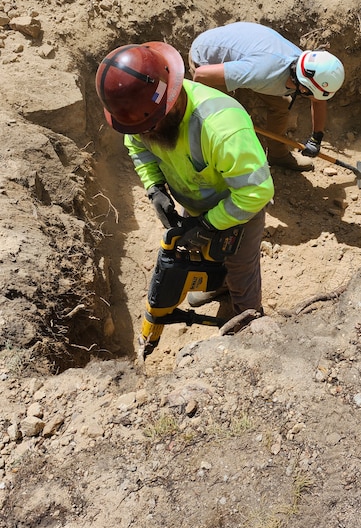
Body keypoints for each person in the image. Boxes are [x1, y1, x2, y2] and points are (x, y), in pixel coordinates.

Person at [95, 40, 274, 354]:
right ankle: (218, 284)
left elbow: (255, 191)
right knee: (204, 252)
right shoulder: (140, 115)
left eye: (150, 126)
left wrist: (210, 224)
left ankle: (248, 328)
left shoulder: (221, 127)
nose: (144, 134)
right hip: (194, 203)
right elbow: (137, 147)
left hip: (238, 207)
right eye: (139, 127)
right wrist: (154, 188)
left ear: (170, 102)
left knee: (241, 267)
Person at [188, 21, 346, 172]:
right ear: (304, 88)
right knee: (227, 120)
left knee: (281, 105)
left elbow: (318, 101)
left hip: (242, 53)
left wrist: (316, 139)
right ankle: (220, 167)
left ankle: (278, 155)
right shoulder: (261, 72)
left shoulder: (306, 67)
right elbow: (201, 76)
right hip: (206, 60)